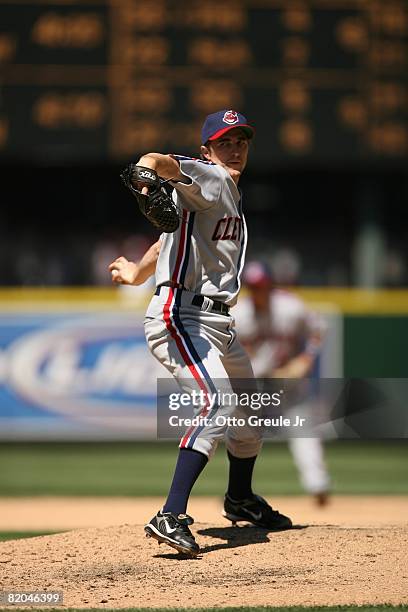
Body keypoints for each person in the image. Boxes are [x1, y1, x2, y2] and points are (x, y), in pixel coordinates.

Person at [109, 110, 292, 557]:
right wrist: (148, 176)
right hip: (182, 316)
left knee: (250, 411)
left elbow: (168, 240)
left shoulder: (222, 191)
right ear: (207, 148)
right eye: (225, 141)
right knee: (218, 405)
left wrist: (137, 271)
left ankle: (240, 498)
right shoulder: (209, 175)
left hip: (217, 322)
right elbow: (156, 160)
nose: (235, 148)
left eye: (242, 140)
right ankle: (169, 515)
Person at [233, 260, 331, 506]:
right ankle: (237, 492)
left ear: (271, 286)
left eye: (262, 286)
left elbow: (319, 330)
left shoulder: (290, 307)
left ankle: (317, 484)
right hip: (255, 382)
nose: (258, 291)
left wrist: (305, 360)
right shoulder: (239, 313)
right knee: (242, 435)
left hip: (287, 381)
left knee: (304, 430)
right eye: (253, 287)